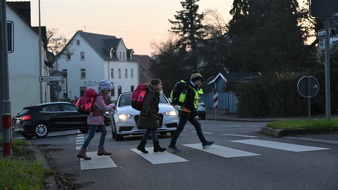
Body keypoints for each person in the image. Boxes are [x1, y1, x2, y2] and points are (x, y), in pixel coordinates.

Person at [168, 71, 214, 153]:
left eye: (200, 81)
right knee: (181, 128)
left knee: (196, 126)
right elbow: (190, 103)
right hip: (186, 111)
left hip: (187, 111)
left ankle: (204, 142)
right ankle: (172, 145)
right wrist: (195, 114)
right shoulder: (191, 90)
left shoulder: (192, 88)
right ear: (193, 81)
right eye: (197, 81)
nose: (199, 83)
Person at [77, 80, 114, 160]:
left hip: (97, 119)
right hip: (94, 119)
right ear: (104, 89)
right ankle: (82, 152)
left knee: (104, 131)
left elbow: (100, 109)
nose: (108, 92)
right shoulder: (99, 97)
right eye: (108, 90)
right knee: (91, 135)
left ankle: (101, 149)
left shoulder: (100, 97)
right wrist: (111, 106)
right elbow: (103, 108)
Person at [136, 79, 166, 154]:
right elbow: (146, 103)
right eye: (160, 84)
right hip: (150, 114)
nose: (161, 86)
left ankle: (142, 146)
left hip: (151, 113)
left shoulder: (154, 92)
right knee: (153, 129)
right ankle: (156, 146)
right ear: (155, 86)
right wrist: (145, 114)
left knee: (149, 130)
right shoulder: (151, 92)